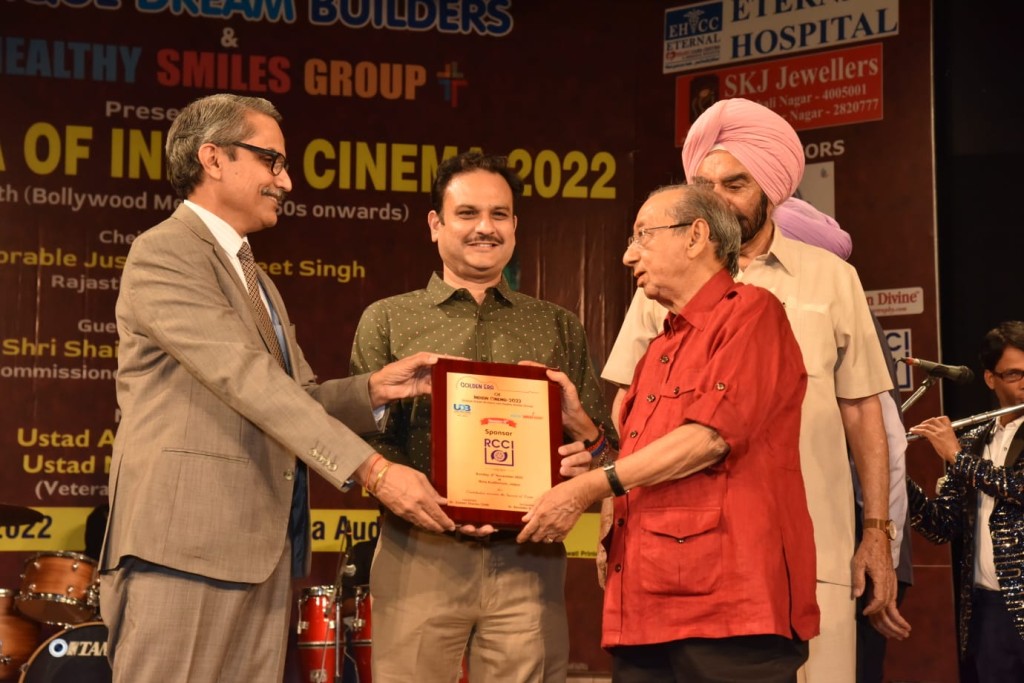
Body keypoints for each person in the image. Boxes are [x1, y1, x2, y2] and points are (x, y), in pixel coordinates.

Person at [99, 93, 455, 683]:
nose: (286, 181)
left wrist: (373, 390)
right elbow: (245, 378)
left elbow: (295, 397)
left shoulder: (255, 277)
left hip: (259, 555)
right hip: (183, 551)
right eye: (272, 161)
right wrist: (372, 469)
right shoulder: (165, 251)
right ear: (213, 158)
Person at [600, 97, 901, 682]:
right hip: (685, 545)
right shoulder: (660, 284)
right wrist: (617, 507)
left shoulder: (832, 278)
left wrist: (876, 534)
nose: (717, 200)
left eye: (735, 184)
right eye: (704, 186)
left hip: (813, 539)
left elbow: (864, 412)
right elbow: (629, 406)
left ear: (772, 190)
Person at [519, 183, 819, 682]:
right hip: (644, 605)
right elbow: (634, 464)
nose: (628, 255)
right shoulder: (659, 348)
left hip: (728, 609)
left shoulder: (752, 313)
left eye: (643, 235)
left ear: (696, 236)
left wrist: (585, 489)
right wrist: (584, 428)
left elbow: (710, 439)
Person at [350, 150, 615, 682]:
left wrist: (582, 460)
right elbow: (360, 439)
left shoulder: (557, 324)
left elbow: (602, 445)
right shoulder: (388, 318)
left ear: (515, 226)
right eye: (467, 213)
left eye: (499, 215)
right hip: (419, 551)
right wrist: (398, 485)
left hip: (528, 559)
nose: (485, 228)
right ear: (435, 224)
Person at [907, 321, 1024, 682]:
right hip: (989, 610)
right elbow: (942, 526)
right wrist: (892, 471)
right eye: (1014, 374)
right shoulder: (973, 441)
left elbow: (1017, 488)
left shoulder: (961, 452)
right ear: (990, 378)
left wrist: (956, 457)